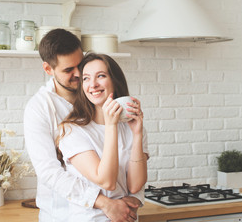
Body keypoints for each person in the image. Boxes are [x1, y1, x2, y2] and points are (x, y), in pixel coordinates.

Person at [24, 29, 145, 222]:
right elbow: (49, 172)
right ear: (48, 69)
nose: (79, 74)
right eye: (68, 70)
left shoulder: (110, 110)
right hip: (63, 213)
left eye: (80, 66)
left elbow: (129, 168)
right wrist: (105, 202)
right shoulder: (40, 109)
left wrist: (134, 198)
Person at [56, 53, 149, 221]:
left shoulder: (130, 127)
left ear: (114, 80)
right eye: (86, 78)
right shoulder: (72, 130)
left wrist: (137, 134)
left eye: (101, 76)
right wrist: (111, 126)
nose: (93, 84)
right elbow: (106, 182)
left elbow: (135, 185)